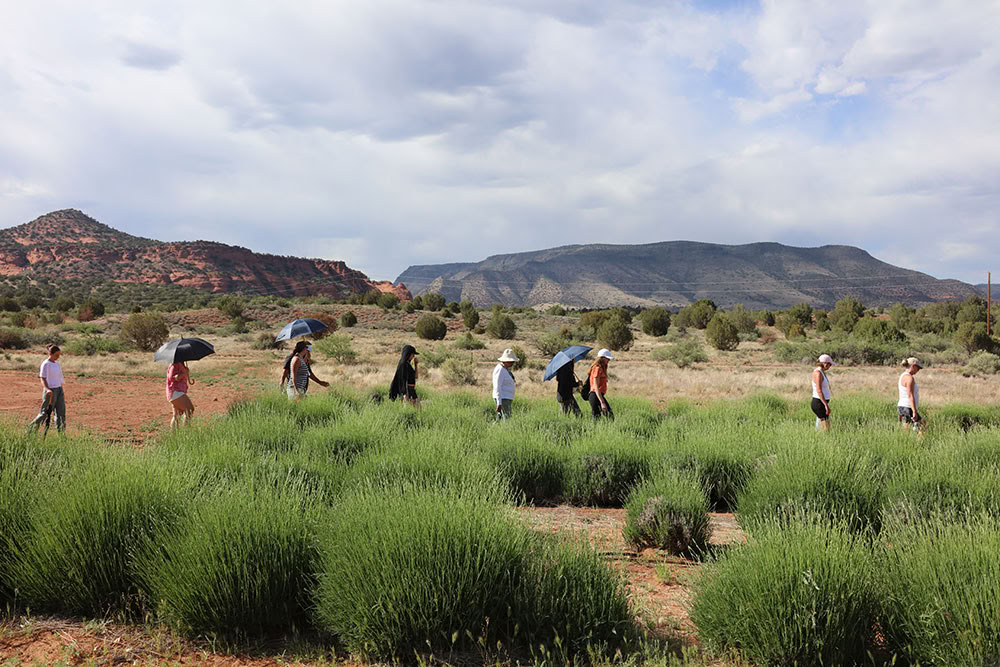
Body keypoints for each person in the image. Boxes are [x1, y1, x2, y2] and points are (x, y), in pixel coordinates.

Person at [28, 345, 66, 436]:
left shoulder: (57, 364)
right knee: (45, 413)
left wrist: (61, 389)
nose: (58, 357)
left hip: (59, 390)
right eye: (56, 355)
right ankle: (30, 430)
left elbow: (59, 378)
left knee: (61, 413)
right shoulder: (46, 364)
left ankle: (61, 435)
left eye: (59, 355)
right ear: (50, 354)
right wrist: (47, 389)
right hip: (50, 391)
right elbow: (43, 378)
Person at [898, 357, 924, 433]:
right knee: (921, 427)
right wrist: (914, 411)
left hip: (904, 407)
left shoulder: (903, 375)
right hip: (907, 407)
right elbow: (910, 395)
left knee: (909, 430)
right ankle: (916, 444)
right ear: (913, 366)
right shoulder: (909, 378)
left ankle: (914, 444)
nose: (918, 370)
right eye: (918, 368)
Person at [166, 360, 195, 429]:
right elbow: (171, 377)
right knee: (189, 409)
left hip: (176, 392)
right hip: (176, 392)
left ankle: (174, 436)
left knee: (177, 415)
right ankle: (186, 432)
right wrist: (183, 374)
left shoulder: (180, 363)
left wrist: (185, 372)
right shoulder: (175, 364)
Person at [587, 349, 614, 420]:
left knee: (604, 417)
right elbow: (596, 387)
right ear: (602, 358)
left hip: (597, 395)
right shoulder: (597, 368)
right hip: (595, 395)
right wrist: (602, 402)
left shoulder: (601, 368)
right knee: (607, 417)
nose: (608, 360)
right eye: (607, 358)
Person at [492, 348, 518, 420]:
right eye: (511, 361)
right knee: (507, 419)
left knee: (500, 419)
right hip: (503, 398)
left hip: (505, 398)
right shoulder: (500, 370)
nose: (512, 363)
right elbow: (497, 386)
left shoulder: (505, 369)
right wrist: (499, 403)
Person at [811, 354, 834, 431]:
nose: (830, 367)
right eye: (829, 364)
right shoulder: (818, 373)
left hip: (821, 403)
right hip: (819, 403)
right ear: (825, 363)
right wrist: (826, 405)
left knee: (821, 426)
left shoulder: (821, 372)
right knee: (826, 429)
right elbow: (819, 390)